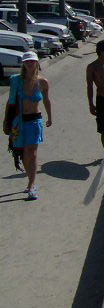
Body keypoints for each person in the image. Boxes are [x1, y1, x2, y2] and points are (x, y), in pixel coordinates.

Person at [8, 52, 52, 200]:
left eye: (32, 61)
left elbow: (46, 100)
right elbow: (10, 102)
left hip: (34, 120)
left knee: (31, 153)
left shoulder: (43, 82)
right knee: (23, 153)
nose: (29, 63)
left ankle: (32, 185)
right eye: (27, 61)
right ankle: (30, 180)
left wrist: (50, 117)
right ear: (23, 64)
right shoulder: (17, 81)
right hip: (19, 121)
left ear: (37, 62)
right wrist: (6, 121)